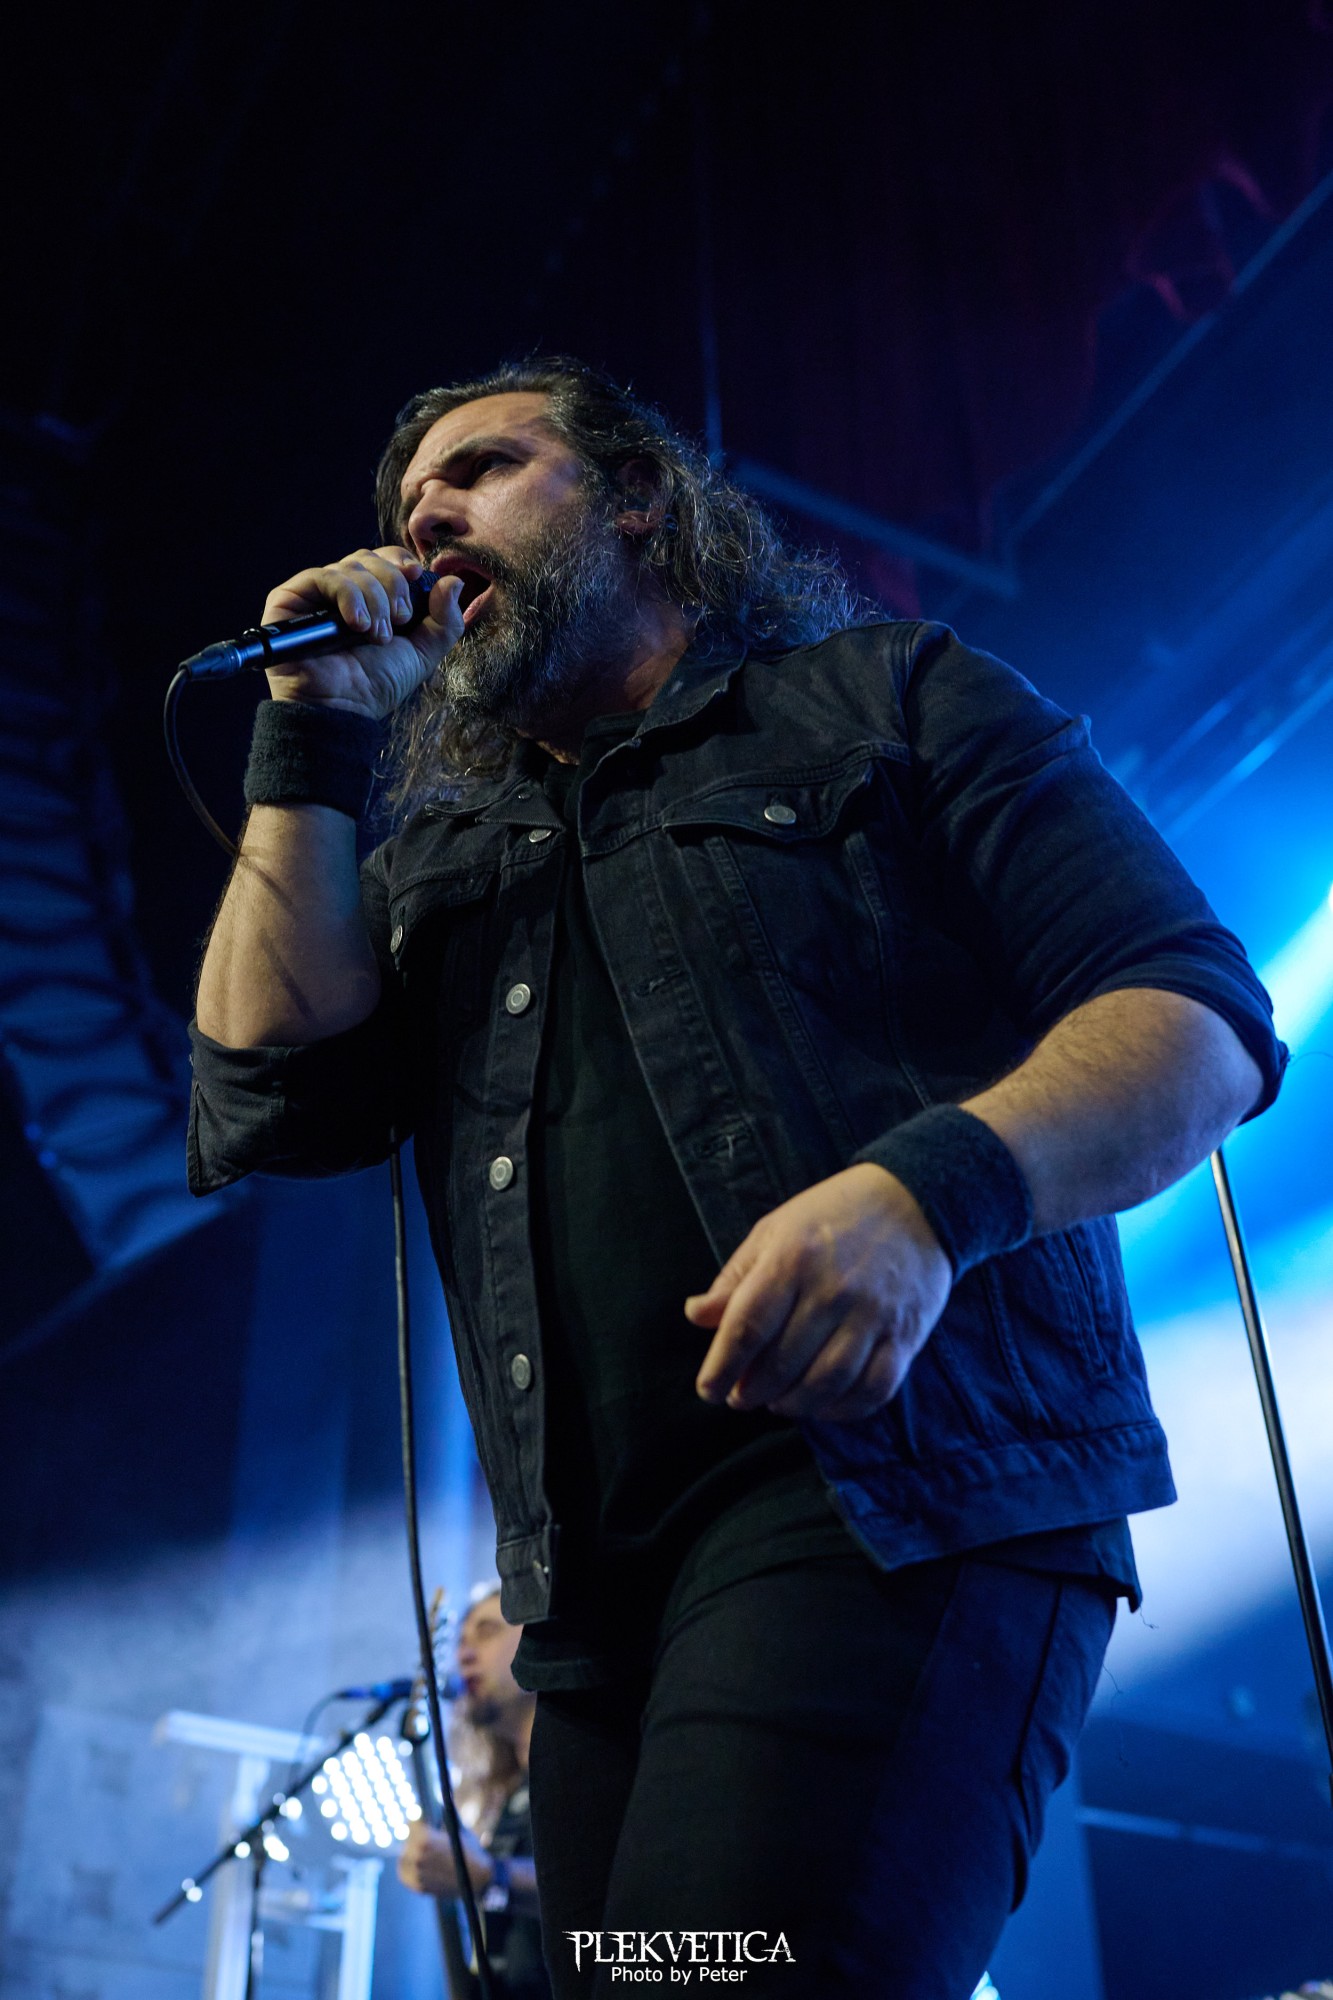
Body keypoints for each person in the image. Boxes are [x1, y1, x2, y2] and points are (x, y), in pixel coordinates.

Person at [187, 357, 1285, 1996]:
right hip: (592, 1618)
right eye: (410, 503)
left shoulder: (883, 696)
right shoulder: (444, 865)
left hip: (894, 1503)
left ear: (637, 499)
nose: (427, 519)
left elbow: (1193, 1014)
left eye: (482, 469)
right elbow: (268, 1085)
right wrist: (310, 738)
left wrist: (928, 1196)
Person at [398, 1586, 549, 2000]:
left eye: (487, 1632)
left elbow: (605, 1894)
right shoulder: (510, 1794)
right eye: (460, 1642)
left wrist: (490, 1878)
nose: (464, 1655)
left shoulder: (591, 1774)